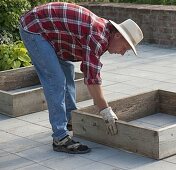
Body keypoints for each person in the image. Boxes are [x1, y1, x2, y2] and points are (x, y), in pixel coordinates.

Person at [19, 2, 143, 154]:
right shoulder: (98, 36)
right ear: (117, 35)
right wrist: (105, 110)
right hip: (35, 28)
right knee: (56, 81)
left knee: (67, 70)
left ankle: (71, 118)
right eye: (125, 48)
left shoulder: (104, 33)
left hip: (48, 30)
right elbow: (92, 79)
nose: (123, 53)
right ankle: (60, 138)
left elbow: (89, 69)